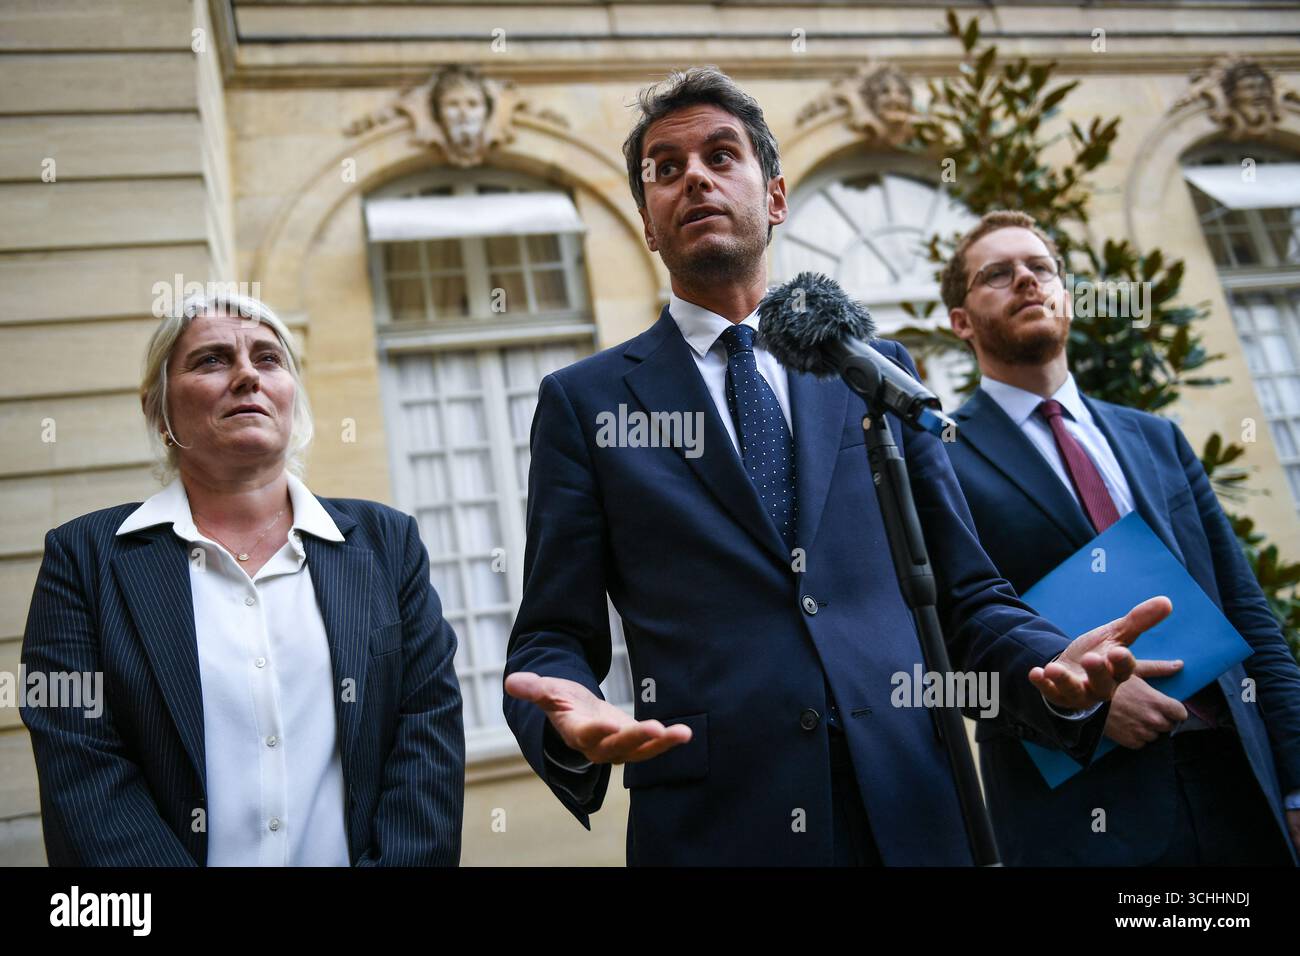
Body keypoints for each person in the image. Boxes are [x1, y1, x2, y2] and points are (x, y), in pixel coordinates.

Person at [502, 68, 1166, 866]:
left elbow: (964, 593)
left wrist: (1044, 659)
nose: (695, 179)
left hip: (916, 806)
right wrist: (568, 722)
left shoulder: (869, 368)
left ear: (775, 198)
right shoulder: (584, 401)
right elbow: (551, 635)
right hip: (719, 825)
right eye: (666, 170)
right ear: (647, 220)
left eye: (721, 155)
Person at [20, 293, 464, 866]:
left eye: (268, 359)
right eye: (211, 360)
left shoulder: (388, 545)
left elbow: (426, 741)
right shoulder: (83, 560)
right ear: (158, 411)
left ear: (291, 397)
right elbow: (84, 773)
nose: (247, 376)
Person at [941, 210, 1300, 865]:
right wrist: (1080, 709)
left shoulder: (1156, 437)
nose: (1026, 280)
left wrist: (1298, 779)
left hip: (1239, 786)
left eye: (1041, 268)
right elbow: (951, 640)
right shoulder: (938, 455)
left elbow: (1247, 610)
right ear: (961, 322)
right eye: (998, 274)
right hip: (1086, 815)